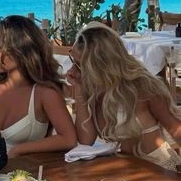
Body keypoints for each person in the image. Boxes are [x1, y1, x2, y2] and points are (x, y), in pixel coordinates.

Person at [0, 15, 77, 158]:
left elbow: (69, 139)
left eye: (0, 47)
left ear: (22, 50)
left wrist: (20, 149)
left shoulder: (44, 93)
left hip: (26, 177)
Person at [66, 21, 181, 172]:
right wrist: (80, 88)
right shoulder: (94, 89)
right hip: (124, 172)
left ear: (99, 65)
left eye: (79, 64)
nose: (72, 69)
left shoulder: (141, 87)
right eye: (72, 61)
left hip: (159, 170)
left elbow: (176, 129)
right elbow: (86, 140)